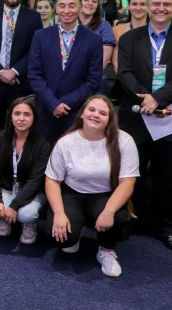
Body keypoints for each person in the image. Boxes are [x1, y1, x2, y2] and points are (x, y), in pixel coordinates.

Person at [46, 95, 139, 277]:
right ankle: (76, 233)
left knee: (118, 219)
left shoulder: (124, 141)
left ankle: (106, 250)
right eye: (92, 110)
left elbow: (128, 182)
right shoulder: (66, 142)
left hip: (105, 194)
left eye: (103, 113)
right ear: (82, 114)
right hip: (72, 193)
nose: (96, 115)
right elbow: (52, 180)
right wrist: (58, 214)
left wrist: (109, 211)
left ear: (110, 119)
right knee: (63, 239)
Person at [117, 0, 172, 250]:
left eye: (167, 4)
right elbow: (124, 73)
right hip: (136, 117)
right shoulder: (129, 38)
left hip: (168, 119)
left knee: (166, 175)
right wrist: (145, 98)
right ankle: (131, 219)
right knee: (132, 173)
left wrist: (157, 98)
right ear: (147, 7)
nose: (162, 8)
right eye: (157, 4)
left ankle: (164, 225)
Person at [28, 0, 103, 143]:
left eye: (72, 5)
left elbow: (93, 80)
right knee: (43, 161)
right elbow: (34, 74)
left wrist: (65, 103)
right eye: (62, 6)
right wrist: (53, 103)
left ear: (80, 7)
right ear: (56, 8)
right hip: (46, 112)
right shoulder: (41, 36)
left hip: (75, 113)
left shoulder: (93, 40)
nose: (66, 10)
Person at [0, 97, 50, 244]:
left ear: (34, 117)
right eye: (17, 114)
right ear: (10, 116)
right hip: (7, 186)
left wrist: (14, 206)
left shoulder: (42, 144)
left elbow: (36, 181)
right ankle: (4, 218)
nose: (21, 119)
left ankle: (29, 224)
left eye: (27, 114)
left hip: (32, 190)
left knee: (26, 215)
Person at [79, 0, 116, 94]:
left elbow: (105, 59)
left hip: (95, 81)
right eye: (86, 0)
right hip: (71, 80)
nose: (90, 3)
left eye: (94, 1)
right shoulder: (70, 25)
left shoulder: (104, 26)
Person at [111, 0, 149, 72]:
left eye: (142, 4)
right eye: (134, 4)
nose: (138, 8)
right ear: (128, 6)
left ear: (149, 6)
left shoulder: (155, 31)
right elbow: (116, 63)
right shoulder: (117, 30)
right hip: (124, 80)